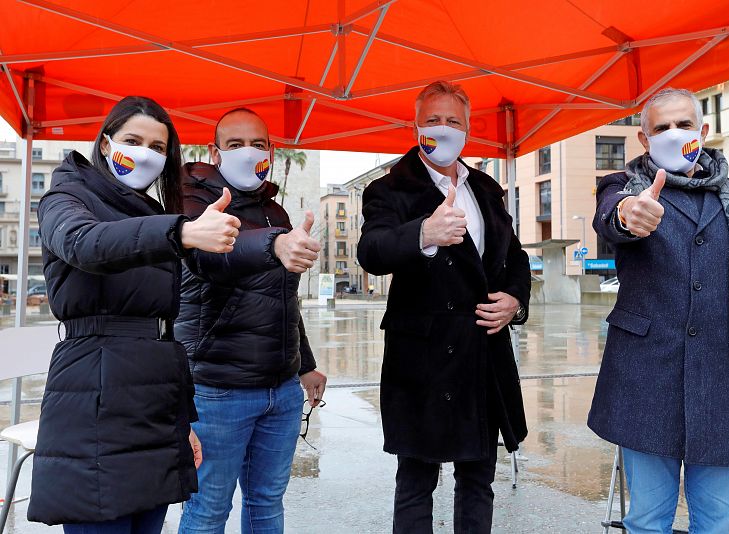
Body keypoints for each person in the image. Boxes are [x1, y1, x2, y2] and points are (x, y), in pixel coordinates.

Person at [28, 96, 241, 532]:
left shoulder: (154, 213)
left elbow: (164, 329)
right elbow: (85, 244)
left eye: (158, 147)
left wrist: (183, 421)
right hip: (95, 393)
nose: (145, 154)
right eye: (133, 140)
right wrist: (181, 231)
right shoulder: (67, 196)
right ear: (106, 143)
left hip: (155, 403)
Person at [589, 87, 729, 533]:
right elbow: (611, 217)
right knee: (647, 520)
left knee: (717, 522)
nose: (674, 133)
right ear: (644, 139)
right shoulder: (623, 187)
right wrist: (628, 215)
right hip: (645, 380)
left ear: (703, 131)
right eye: (661, 127)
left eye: (684, 124)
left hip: (725, 380)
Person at [357, 81, 531, 534]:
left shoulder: (486, 189)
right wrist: (423, 234)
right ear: (415, 126)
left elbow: (514, 256)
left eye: (453, 121)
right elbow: (371, 251)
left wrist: (515, 299)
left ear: (468, 130)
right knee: (416, 481)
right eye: (433, 119)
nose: (443, 128)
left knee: (478, 479)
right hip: (422, 359)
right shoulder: (389, 189)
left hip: (482, 353)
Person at [176, 108, 327, 534]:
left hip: (280, 390)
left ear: (271, 152)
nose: (248, 153)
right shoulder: (195, 203)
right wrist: (274, 244)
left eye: (258, 144)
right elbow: (210, 259)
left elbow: (283, 298)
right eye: (235, 144)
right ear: (215, 152)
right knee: (207, 510)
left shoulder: (276, 212)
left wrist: (305, 365)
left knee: (267, 504)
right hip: (217, 389)